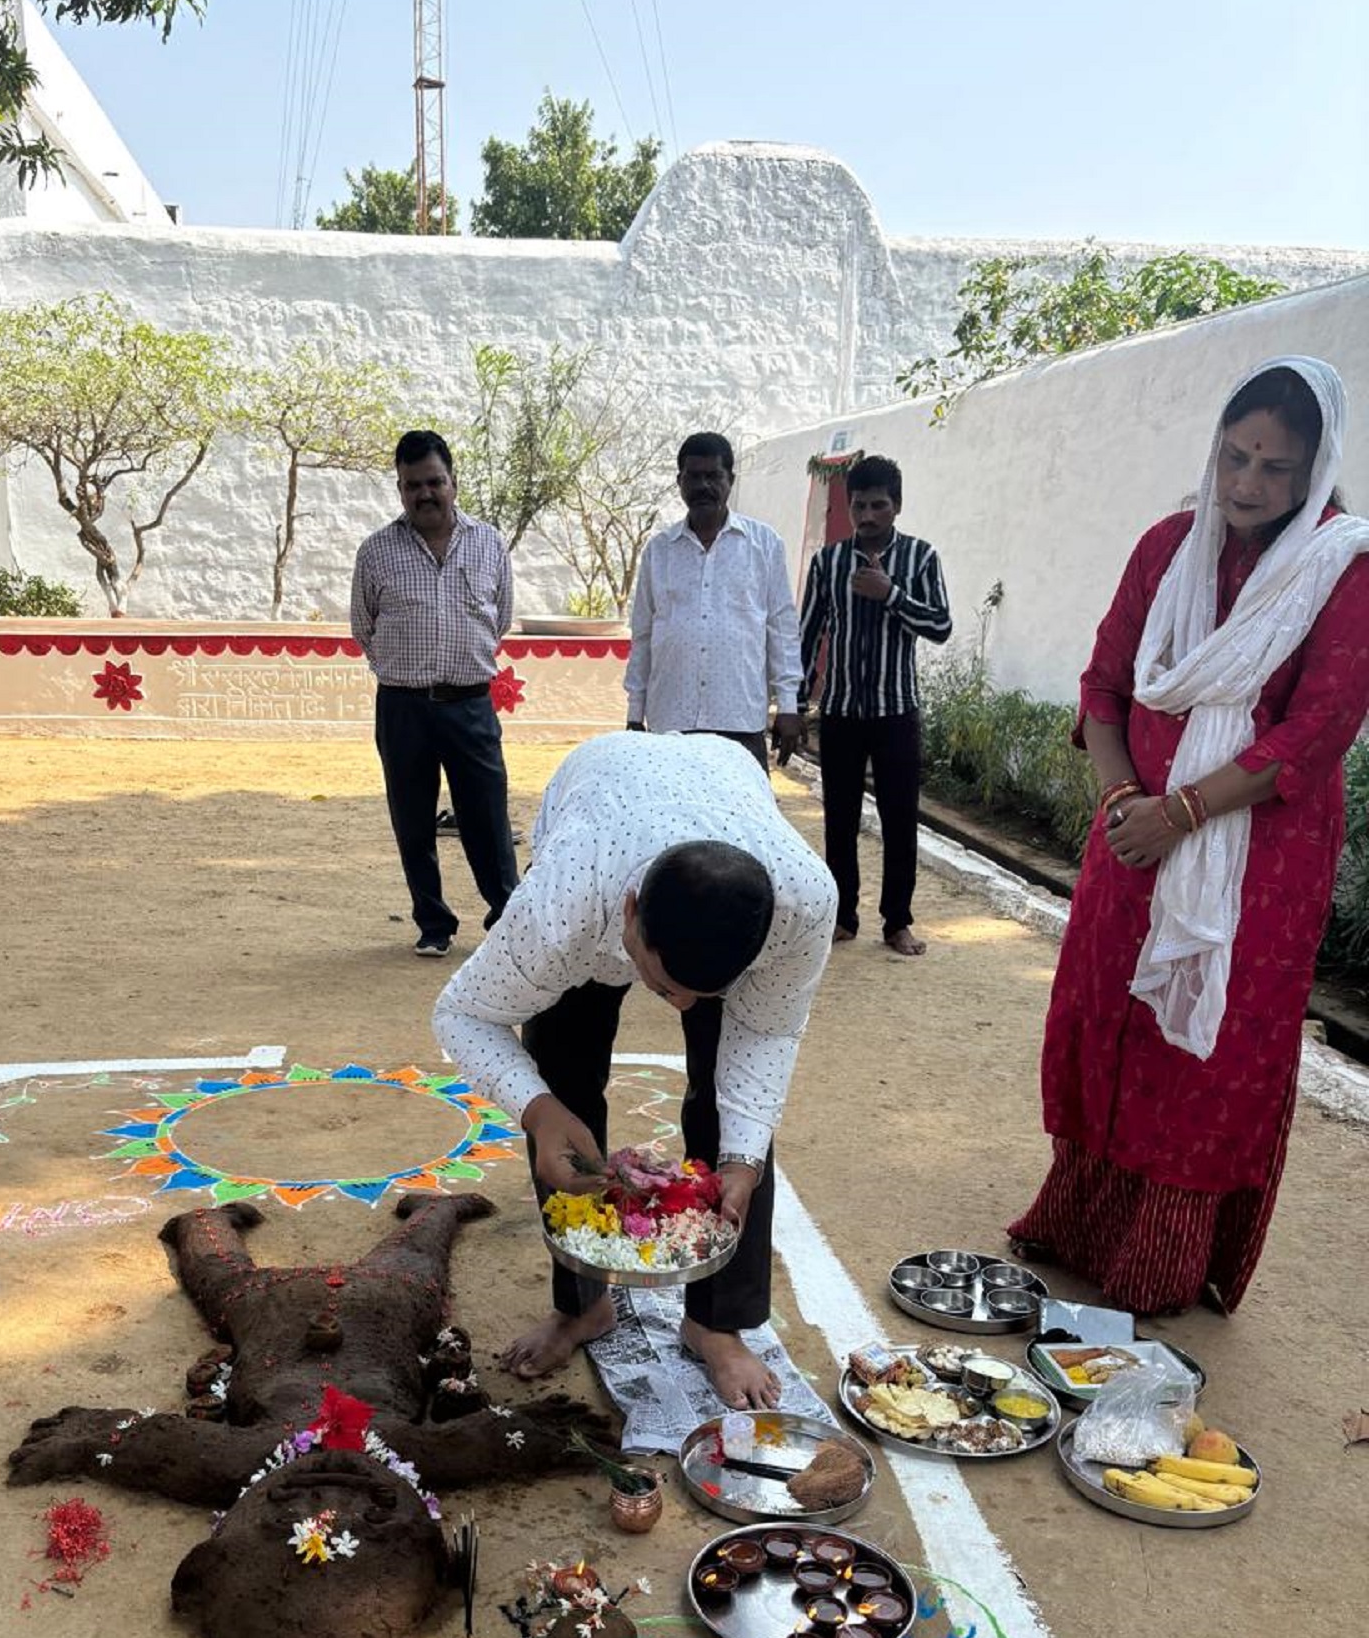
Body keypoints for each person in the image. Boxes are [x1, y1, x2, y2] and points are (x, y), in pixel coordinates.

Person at [1011, 357, 1369, 1316]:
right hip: (1131, 833)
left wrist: (1185, 812)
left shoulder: (1343, 569)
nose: (1247, 483)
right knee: (1105, 1015)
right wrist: (1125, 796)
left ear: (1315, 471)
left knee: (1208, 1047)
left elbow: (1318, 731)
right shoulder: (1169, 545)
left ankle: (1161, 1259)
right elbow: (1104, 685)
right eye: (1235, 455)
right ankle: (1078, 1219)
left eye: (1275, 468)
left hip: (1253, 862)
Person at [431, 730, 838, 1407]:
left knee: (733, 1113)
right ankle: (583, 1305)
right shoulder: (562, 904)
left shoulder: (802, 905)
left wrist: (743, 1154)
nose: (677, 1005)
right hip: (599, 790)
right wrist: (539, 1108)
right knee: (561, 1069)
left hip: (723, 782)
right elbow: (463, 1014)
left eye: (696, 996)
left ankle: (717, 1324)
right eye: (663, 982)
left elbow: (767, 1029)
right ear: (630, 917)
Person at [350, 429, 519, 958]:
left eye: (434, 482)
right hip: (403, 709)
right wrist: (404, 675)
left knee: (487, 817)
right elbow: (363, 627)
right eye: (412, 485)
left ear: (452, 481)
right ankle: (433, 924)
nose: (425, 494)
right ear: (400, 489)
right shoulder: (377, 551)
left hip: (470, 704)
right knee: (413, 819)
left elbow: (503, 616)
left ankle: (507, 916)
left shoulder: (489, 543)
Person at [798, 454, 952, 956]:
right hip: (841, 712)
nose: (868, 515)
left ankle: (897, 922)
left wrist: (890, 595)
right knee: (839, 819)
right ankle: (842, 916)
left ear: (897, 506)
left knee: (900, 819)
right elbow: (808, 633)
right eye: (860, 505)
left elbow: (941, 626)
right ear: (849, 505)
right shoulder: (829, 562)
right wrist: (798, 703)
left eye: (879, 505)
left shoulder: (921, 558)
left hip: (896, 714)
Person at [625, 432, 805, 769]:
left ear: (730, 481)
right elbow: (644, 635)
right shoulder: (659, 551)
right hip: (670, 722)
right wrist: (635, 713)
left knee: (740, 820)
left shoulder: (764, 545)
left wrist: (789, 706)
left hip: (738, 719)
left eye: (714, 476)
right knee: (670, 818)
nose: (703, 486)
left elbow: (781, 628)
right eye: (694, 476)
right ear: (679, 481)